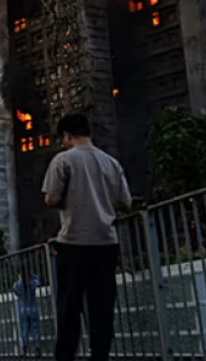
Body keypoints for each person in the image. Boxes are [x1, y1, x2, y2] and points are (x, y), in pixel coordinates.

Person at [42, 113, 132, 361]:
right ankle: (100, 356)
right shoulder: (111, 163)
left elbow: (50, 198)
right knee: (102, 308)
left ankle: (66, 356)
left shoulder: (63, 160)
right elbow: (126, 202)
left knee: (69, 308)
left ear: (67, 136)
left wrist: (70, 200)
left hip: (73, 243)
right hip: (106, 243)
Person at [12, 272, 41, 356]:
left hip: (23, 310)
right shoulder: (32, 283)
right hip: (33, 309)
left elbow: (15, 291)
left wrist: (20, 279)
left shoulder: (17, 285)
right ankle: (37, 349)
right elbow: (38, 280)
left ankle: (24, 349)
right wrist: (33, 275)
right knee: (35, 330)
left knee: (24, 330)